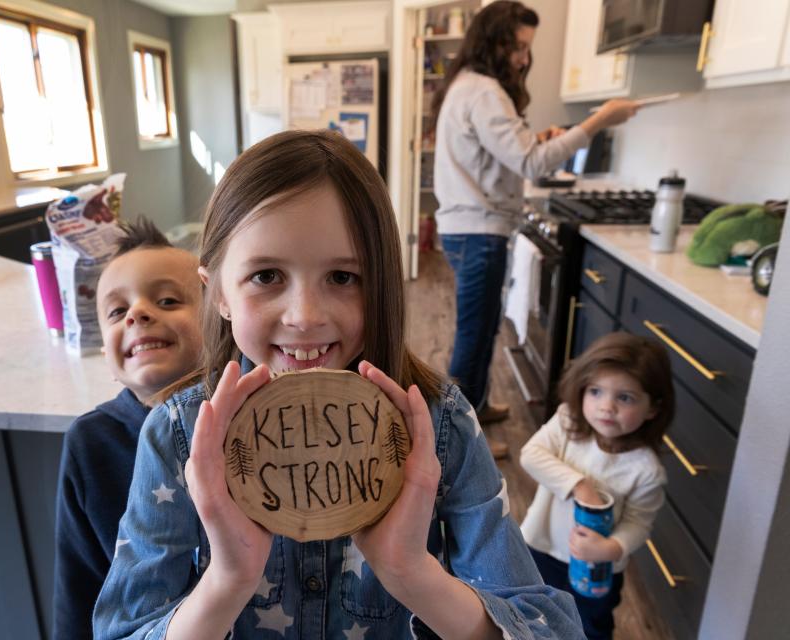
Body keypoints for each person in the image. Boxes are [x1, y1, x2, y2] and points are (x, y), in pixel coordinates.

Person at [92, 129, 584, 639]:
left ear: (383, 284)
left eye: (344, 278)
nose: (305, 317)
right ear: (216, 293)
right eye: (266, 276)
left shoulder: (440, 425)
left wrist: (412, 573)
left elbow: (553, 628)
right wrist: (227, 581)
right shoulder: (177, 435)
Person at [430, 0, 640, 430]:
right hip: (477, 232)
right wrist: (598, 120)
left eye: (528, 48)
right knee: (473, 338)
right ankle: (455, 444)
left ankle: (478, 408)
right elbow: (532, 163)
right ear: (495, 42)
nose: (525, 58)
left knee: (482, 331)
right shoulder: (485, 91)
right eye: (518, 47)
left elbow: (503, 151)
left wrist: (534, 139)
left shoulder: (468, 86)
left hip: (467, 229)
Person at [52, 219, 203, 640]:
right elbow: (78, 589)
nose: (137, 313)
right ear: (105, 351)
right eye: (117, 312)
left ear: (221, 321)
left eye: (169, 300)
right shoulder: (90, 443)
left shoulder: (252, 419)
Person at [519, 332, 675, 640]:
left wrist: (611, 548)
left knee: (590, 627)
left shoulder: (645, 470)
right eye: (596, 391)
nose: (606, 407)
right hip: (542, 547)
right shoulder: (567, 423)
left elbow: (638, 523)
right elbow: (531, 455)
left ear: (653, 408)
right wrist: (579, 485)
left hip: (596, 567)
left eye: (625, 398)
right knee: (534, 614)